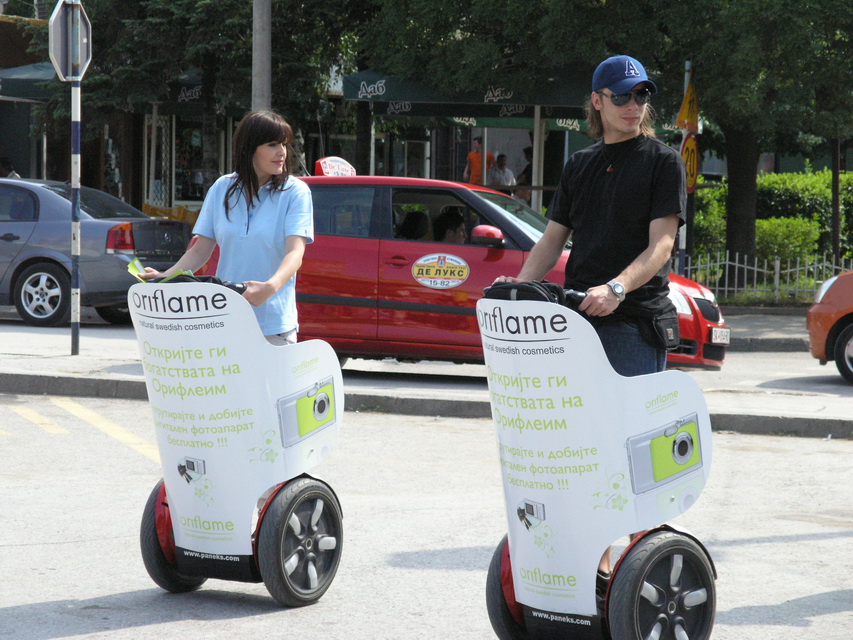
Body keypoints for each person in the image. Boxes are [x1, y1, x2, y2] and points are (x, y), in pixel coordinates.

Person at [493, 55, 686, 574]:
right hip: (577, 323)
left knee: (629, 448)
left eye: (641, 95)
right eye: (621, 96)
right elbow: (552, 240)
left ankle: (644, 560)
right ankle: (597, 566)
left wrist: (618, 287)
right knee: (582, 448)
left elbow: (662, 244)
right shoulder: (580, 164)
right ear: (597, 102)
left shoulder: (662, 161)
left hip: (632, 321)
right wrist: (519, 286)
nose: (633, 105)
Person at [141, 109, 313, 346]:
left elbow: (295, 253)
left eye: (284, 144)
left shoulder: (296, 192)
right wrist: (164, 277)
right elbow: (200, 251)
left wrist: (270, 287)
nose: (282, 152)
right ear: (249, 147)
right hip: (224, 319)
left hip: (274, 325)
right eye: (272, 144)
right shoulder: (222, 188)